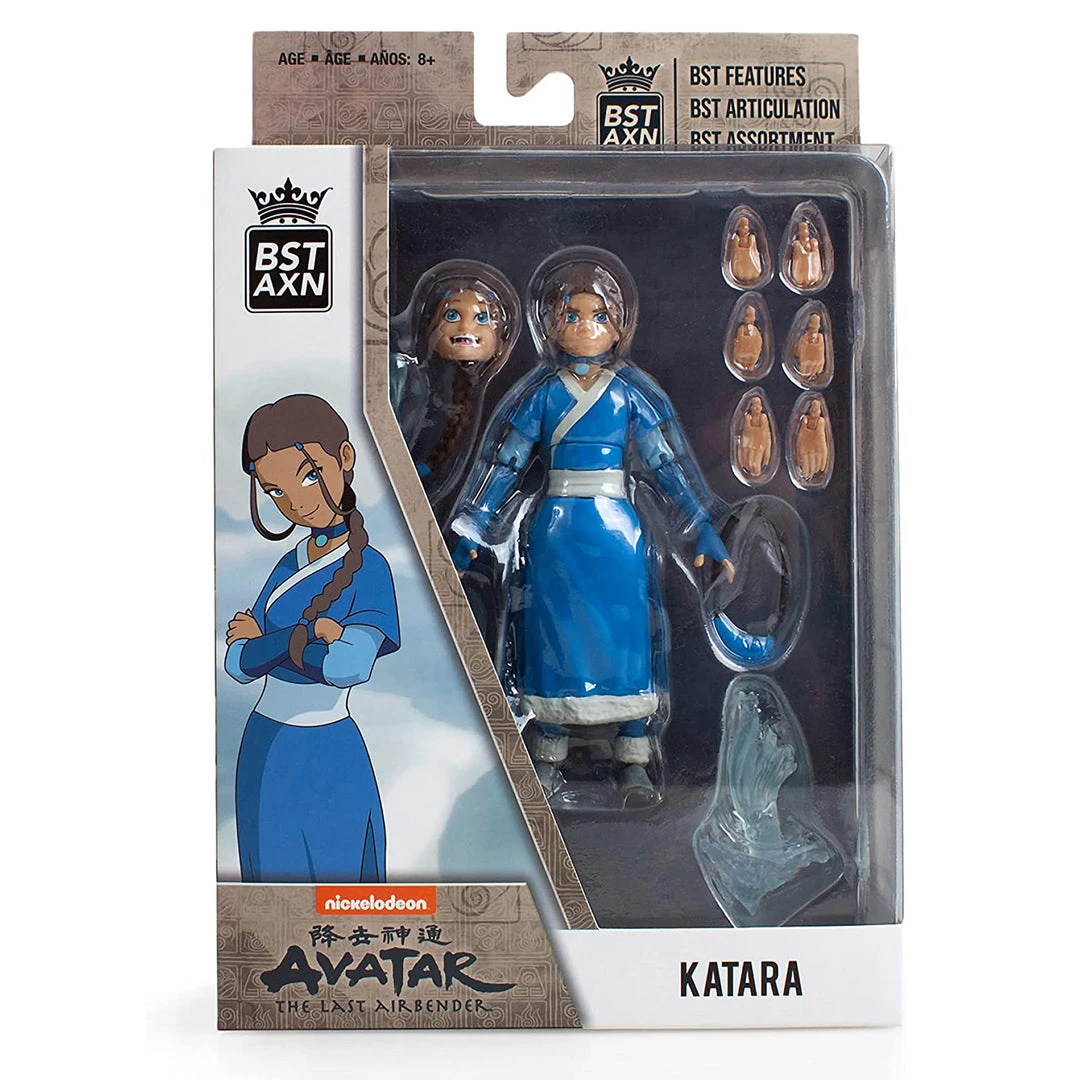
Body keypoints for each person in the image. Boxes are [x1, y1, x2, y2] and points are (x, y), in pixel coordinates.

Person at [447, 249, 769, 804]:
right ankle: (548, 744)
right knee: (552, 628)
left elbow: (667, 464)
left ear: (618, 328)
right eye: (571, 316)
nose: (584, 326)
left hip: (618, 529)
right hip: (556, 528)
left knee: (626, 631)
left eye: (597, 316)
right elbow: (503, 463)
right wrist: (473, 526)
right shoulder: (544, 394)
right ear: (551, 326)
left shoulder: (628, 394)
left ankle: (634, 753)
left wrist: (702, 523)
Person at [224, 394, 400, 881]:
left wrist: (271, 642)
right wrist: (303, 639)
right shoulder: (288, 563)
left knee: (342, 891)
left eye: (308, 477)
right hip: (265, 747)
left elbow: (349, 665)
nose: (296, 502)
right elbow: (236, 663)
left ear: (344, 458)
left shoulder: (370, 568)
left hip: (328, 748)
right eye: (275, 491)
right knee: (272, 892)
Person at [390, 261, 520, 516]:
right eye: (452, 316)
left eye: (481, 318)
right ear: (430, 327)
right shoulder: (406, 376)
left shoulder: (466, 400)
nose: (465, 328)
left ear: (500, 341)